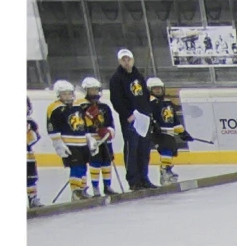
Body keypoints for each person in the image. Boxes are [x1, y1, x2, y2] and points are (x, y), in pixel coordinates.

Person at [108, 48, 152, 190]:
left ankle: (144, 178)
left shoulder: (138, 75)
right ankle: (133, 180)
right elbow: (116, 100)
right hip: (130, 119)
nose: (126, 62)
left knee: (144, 149)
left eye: (128, 59)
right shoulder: (116, 78)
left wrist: (147, 112)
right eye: (123, 60)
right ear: (120, 61)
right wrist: (127, 114)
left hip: (143, 118)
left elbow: (144, 95)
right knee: (131, 148)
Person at [143, 78, 192, 186]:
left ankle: (167, 169)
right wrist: (153, 126)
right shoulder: (149, 104)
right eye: (155, 89)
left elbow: (174, 120)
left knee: (170, 151)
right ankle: (165, 171)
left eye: (159, 88)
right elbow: (147, 117)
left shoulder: (168, 103)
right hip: (158, 133)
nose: (158, 91)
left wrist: (183, 132)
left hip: (169, 132)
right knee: (166, 151)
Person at [44, 79, 87, 201]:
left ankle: (82, 189)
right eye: (64, 94)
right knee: (76, 166)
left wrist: (89, 139)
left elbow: (84, 124)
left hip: (82, 143)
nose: (68, 96)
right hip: (69, 144)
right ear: (58, 95)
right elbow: (52, 128)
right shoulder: (55, 108)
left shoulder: (77, 106)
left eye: (69, 93)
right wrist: (58, 144)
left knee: (83, 166)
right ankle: (76, 191)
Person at [77, 77, 117, 198]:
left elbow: (111, 123)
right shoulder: (80, 107)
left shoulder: (104, 107)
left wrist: (109, 132)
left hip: (105, 140)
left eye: (96, 90)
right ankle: (95, 187)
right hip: (92, 142)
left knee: (106, 162)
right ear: (85, 91)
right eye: (91, 90)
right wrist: (88, 137)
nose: (94, 92)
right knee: (95, 163)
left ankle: (107, 186)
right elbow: (80, 125)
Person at [27, 104, 42, 208]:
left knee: (30, 179)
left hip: (28, 157)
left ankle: (32, 198)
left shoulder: (30, 122)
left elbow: (35, 137)